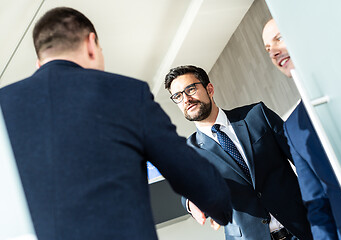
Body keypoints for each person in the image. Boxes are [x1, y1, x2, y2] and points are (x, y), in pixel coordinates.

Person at [0, 7, 233, 240]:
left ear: (39, 63)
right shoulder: (125, 93)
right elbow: (194, 176)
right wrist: (221, 212)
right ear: (91, 44)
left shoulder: (4, 107)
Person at [164, 65, 313, 240]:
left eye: (190, 89)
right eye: (178, 96)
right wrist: (190, 203)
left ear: (209, 89)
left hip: (305, 227)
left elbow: (302, 159)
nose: (186, 99)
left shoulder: (257, 115)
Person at [262, 18, 341, 240]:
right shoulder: (294, 126)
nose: (274, 52)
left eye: (279, 39)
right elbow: (317, 206)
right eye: (268, 49)